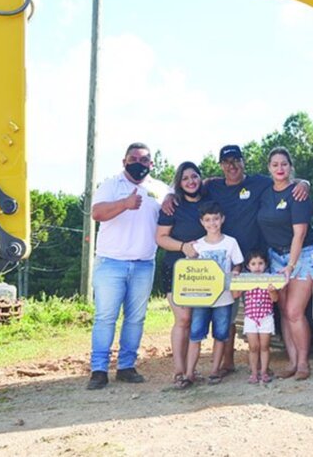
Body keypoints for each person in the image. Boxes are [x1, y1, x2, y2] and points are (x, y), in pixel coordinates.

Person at [167, 144, 309, 373]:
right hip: (226, 261)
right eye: (227, 162)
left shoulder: (259, 182)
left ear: (244, 162)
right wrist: (169, 196)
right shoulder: (212, 187)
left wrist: (305, 183)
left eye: (236, 160)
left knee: (263, 307)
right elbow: (187, 189)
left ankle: (266, 364)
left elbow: (285, 178)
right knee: (229, 312)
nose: (232, 165)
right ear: (221, 165)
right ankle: (227, 362)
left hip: (257, 261)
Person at [87, 142, 169, 390]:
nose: (138, 163)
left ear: (151, 164)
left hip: (144, 264)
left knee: (135, 319)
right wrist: (124, 204)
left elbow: (175, 207)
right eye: (133, 158)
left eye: (144, 160)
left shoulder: (159, 189)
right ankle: (99, 370)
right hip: (111, 263)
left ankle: (126, 366)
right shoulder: (111, 185)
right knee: (105, 318)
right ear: (124, 161)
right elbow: (97, 213)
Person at [256, 146, 313, 380]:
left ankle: (303, 363)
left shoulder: (298, 193)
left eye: (284, 164)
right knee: (283, 310)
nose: (280, 168)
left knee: (294, 310)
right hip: (276, 256)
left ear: (290, 167)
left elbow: (299, 234)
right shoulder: (264, 192)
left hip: (303, 254)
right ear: (269, 168)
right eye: (275, 165)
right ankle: (292, 361)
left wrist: (291, 266)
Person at [155, 161, 207, 384]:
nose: (190, 182)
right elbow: (161, 238)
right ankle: (178, 369)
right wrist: (183, 246)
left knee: (196, 321)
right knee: (183, 319)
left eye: (194, 176)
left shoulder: (210, 201)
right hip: (176, 268)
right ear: (179, 182)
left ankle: (191, 370)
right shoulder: (171, 206)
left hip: (203, 271)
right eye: (185, 178)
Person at [182, 201, 243, 389]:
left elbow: (238, 264)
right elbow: (188, 272)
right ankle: (189, 372)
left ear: (222, 219)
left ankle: (215, 369)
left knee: (221, 334)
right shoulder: (197, 246)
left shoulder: (230, 242)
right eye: (207, 220)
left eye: (215, 219)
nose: (212, 223)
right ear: (202, 222)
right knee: (195, 334)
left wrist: (236, 271)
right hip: (201, 298)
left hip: (223, 297)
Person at [232, 249, 279, 385]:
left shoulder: (269, 279)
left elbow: (275, 299)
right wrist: (235, 283)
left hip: (266, 316)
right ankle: (253, 373)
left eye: (260, 263)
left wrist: (272, 291)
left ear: (265, 264)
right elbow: (235, 295)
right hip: (250, 317)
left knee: (264, 346)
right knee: (253, 347)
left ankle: (264, 372)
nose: (257, 267)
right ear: (248, 266)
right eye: (253, 264)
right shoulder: (245, 281)